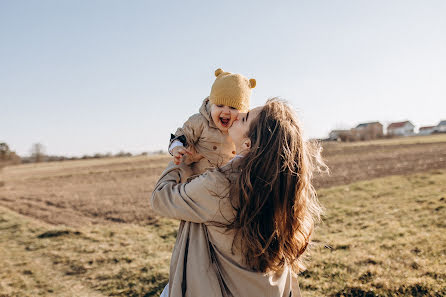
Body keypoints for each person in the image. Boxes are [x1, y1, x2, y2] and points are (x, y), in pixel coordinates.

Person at [151, 98, 326, 297]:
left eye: (245, 118)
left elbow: (160, 198)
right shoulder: (277, 186)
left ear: (248, 144)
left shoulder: (219, 185)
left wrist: (181, 159)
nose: (238, 114)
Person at [169, 68, 256, 181]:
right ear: (211, 104)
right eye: (219, 105)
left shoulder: (242, 129)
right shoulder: (200, 121)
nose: (225, 112)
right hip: (196, 182)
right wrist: (177, 147)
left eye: (233, 108)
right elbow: (182, 134)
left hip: (225, 185)